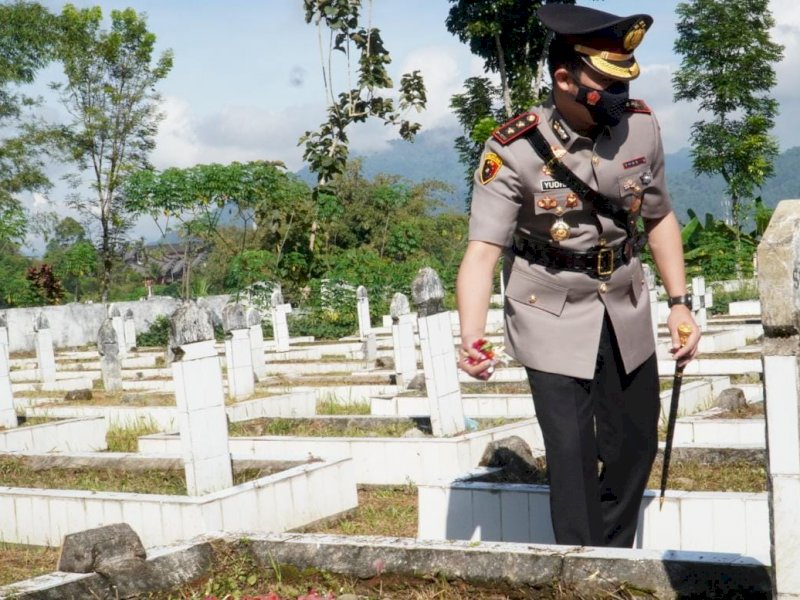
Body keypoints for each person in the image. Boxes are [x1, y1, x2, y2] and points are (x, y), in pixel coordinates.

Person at [456, 4, 701, 548]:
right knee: (570, 454)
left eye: (625, 80)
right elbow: (482, 252)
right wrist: (471, 335)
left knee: (635, 444)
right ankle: (583, 567)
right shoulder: (513, 148)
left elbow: (659, 216)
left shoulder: (640, 127)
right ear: (565, 79)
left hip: (625, 304)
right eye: (606, 83)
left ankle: (609, 554)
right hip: (549, 311)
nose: (618, 94)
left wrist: (679, 302)